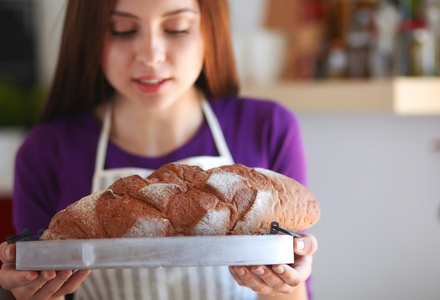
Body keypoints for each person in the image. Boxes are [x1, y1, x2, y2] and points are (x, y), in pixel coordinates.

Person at [0, 0, 318, 299]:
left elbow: (296, 284)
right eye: (122, 30)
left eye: (177, 28)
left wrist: (283, 288)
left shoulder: (268, 128)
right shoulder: (45, 150)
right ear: (88, 35)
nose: (151, 55)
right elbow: (38, 274)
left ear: (211, 30)